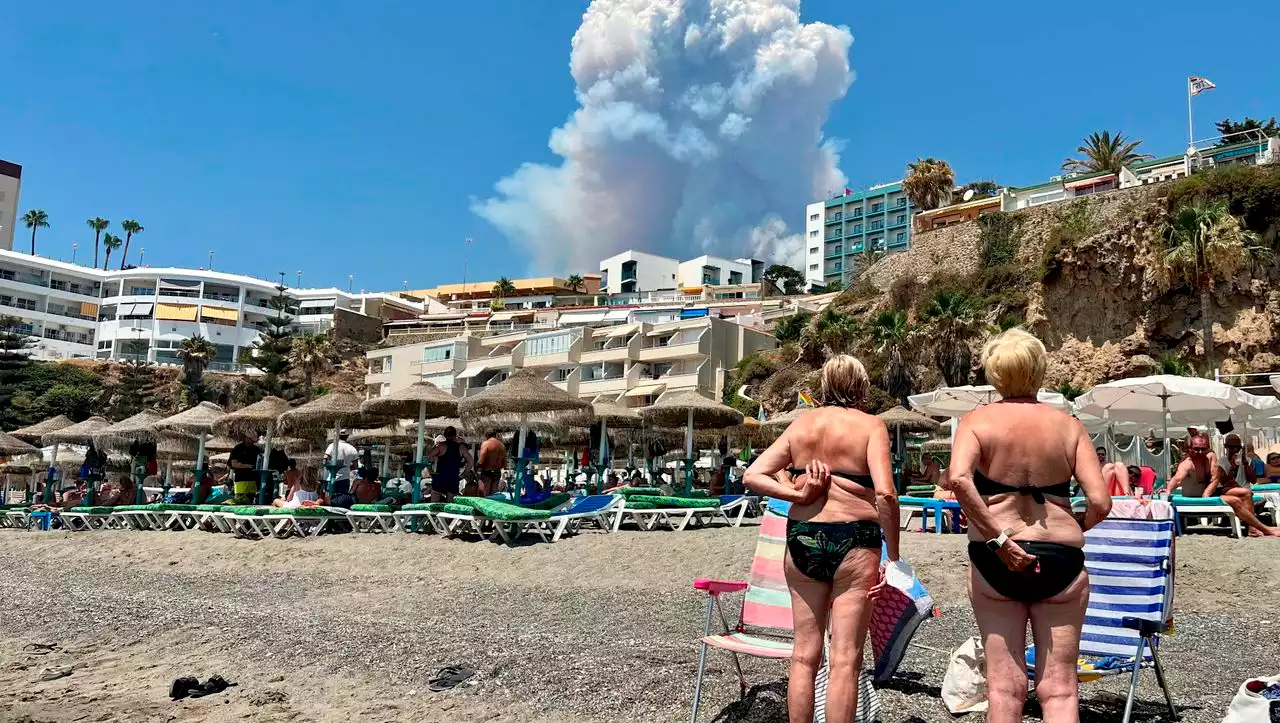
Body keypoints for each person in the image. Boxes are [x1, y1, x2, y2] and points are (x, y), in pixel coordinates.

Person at [942, 329, 1110, 723]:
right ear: (1039, 370)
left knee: (1004, 687)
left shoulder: (976, 421)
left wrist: (1000, 539)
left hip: (996, 556)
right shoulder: (1067, 426)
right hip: (1060, 559)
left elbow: (959, 479)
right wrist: (1070, 528)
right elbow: (1101, 502)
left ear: (993, 373)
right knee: (1061, 688)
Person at [744, 355, 899, 723]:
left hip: (803, 538)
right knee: (845, 659)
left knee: (803, 654)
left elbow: (753, 475)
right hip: (855, 541)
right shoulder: (871, 426)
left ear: (825, 385)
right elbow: (886, 495)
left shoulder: (802, 426)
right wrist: (893, 556)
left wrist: (798, 497)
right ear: (861, 386)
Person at [1206, 433, 1279, 536]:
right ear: (1226, 447)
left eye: (1237, 447)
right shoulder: (1222, 461)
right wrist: (1232, 468)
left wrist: (1245, 465)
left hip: (1244, 490)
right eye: (1231, 447)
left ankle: (1252, 526)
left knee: (1246, 492)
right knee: (1246, 493)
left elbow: (1253, 480)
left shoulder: (1246, 461)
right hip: (1229, 490)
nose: (1234, 449)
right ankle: (1252, 527)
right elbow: (1224, 482)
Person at [428, 426, 473, 502]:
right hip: (453, 478)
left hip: (440, 477)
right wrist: (465, 473)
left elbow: (429, 457)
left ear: (445, 435)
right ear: (455, 435)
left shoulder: (441, 446)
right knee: (450, 506)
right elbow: (470, 461)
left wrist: (430, 470)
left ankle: (432, 514)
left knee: (434, 504)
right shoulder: (461, 447)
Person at [324, 431, 360, 497]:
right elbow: (355, 466)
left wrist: (329, 467)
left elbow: (325, 458)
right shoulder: (352, 448)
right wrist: (348, 468)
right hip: (345, 478)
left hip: (331, 478)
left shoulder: (332, 445)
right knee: (341, 499)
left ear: (337, 436)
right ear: (347, 437)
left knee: (329, 499)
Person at [228, 433, 261, 504]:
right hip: (241, 479)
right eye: (250, 440)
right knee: (240, 501)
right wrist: (247, 466)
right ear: (245, 438)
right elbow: (233, 464)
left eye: (253, 441)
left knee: (251, 501)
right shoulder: (238, 448)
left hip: (254, 480)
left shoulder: (256, 449)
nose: (251, 442)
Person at [477, 429, 507, 496]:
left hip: (487, 472)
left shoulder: (486, 443)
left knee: (484, 495)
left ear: (486, 435)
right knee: (493, 496)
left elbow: (481, 462)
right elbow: (504, 464)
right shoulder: (502, 446)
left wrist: (477, 468)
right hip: (497, 472)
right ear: (495, 435)